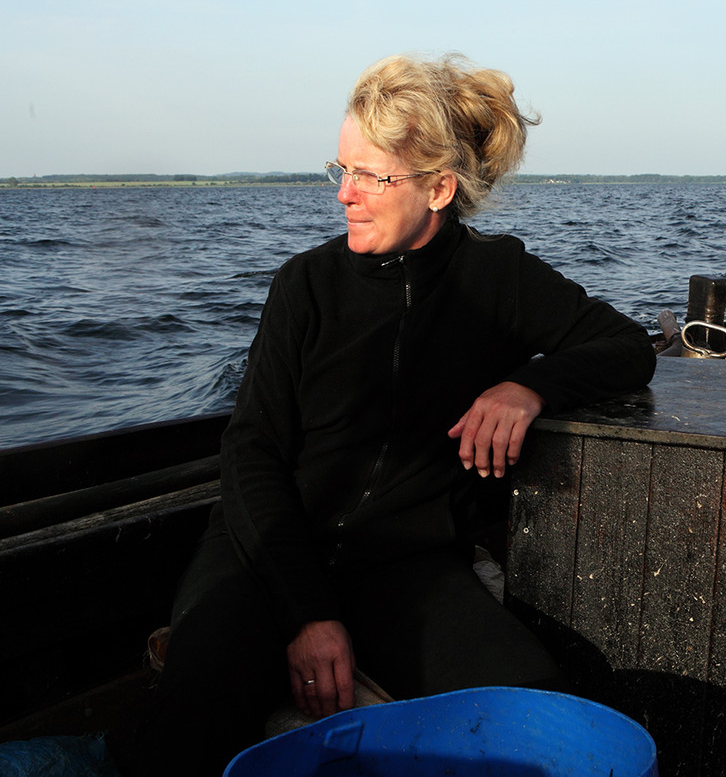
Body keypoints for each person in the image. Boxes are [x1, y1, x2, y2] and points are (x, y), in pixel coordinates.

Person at [116, 54, 656, 775]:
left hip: (403, 566)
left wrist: (527, 388)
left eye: (372, 176)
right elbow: (251, 452)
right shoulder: (305, 285)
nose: (345, 195)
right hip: (268, 554)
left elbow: (623, 345)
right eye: (340, 170)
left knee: (536, 710)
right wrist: (308, 614)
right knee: (182, 731)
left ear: (438, 187)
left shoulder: (496, 278)